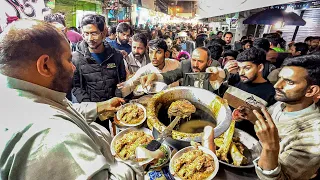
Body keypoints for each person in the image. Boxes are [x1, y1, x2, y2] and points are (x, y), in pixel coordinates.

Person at [0, 19, 156, 180]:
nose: (72, 67)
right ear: (45, 66)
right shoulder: (52, 136)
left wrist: (99, 107)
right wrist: (138, 158)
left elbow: (65, 110)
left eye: (94, 33)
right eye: (68, 60)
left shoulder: (23, 96)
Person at [240, 55, 320, 180]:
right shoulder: (282, 104)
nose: (277, 85)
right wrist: (253, 118)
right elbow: (272, 127)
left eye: (289, 82)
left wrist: (270, 147)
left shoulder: (313, 138)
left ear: (311, 90)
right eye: (280, 78)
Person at [72, 14, 126, 104]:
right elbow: (76, 87)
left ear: (103, 33)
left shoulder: (116, 55)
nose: (90, 38)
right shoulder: (76, 58)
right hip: (91, 112)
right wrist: (94, 108)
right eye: (86, 34)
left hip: (114, 107)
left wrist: (116, 99)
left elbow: (122, 81)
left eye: (94, 33)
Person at [225, 47, 276, 138]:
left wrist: (253, 118)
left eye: (247, 68)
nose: (241, 73)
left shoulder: (271, 94)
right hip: (222, 131)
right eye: (239, 68)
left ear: (260, 67)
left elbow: (271, 128)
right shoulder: (234, 80)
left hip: (244, 140)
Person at [140, 47, 228, 96]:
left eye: (200, 61)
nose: (195, 65)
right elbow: (171, 75)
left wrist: (221, 74)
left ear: (209, 62)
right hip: (186, 102)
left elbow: (224, 76)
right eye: (193, 60)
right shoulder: (185, 65)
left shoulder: (214, 68)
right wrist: (155, 76)